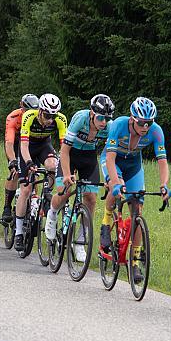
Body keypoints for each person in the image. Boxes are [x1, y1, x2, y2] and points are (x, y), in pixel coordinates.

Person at [99, 97, 171, 282]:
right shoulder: (118, 125)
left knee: (137, 211)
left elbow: (162, 162)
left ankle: (135, 261)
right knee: (115, 187)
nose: (145, 127)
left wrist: (164, 185)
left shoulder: (156, 132)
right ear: (132, 118)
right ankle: (106, 223)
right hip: (113, 161)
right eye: (141, 123)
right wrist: (115, 183)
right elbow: (110, 159)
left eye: (149, 123)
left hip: (133, 166)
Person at [44, 94, 115, 263]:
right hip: (71, 155)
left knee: (90, 198)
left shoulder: (110, 127)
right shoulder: (80, 119)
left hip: (89, 158)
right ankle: (52, 215)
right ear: (92, 113)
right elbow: (64, 150)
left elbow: (109, 154)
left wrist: (109, 177)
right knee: (63, 191)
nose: (103, 122)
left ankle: (80, 242)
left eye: (106, 118)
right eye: (100, 117)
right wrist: (67, 174)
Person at [13, 93, 66, 250]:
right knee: (26, 189)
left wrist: (63, 166)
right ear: (40, 111)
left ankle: (46, 194)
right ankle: (18, 232)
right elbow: (23, 145)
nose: (50, 120)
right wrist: (29, 163)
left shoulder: (60, 119)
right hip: (27, 147)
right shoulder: (29, 116)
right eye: (47, 115)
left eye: (53, 116)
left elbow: (64, 148)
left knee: (52, 165)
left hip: (44, 145)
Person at [0, 93, 39, 224]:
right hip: (15, 143)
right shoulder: (13, 117)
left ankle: (33, 199)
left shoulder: (38, 117)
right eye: (27, 110)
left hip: (30, 143)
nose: (30, 113)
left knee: (35, 172)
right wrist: (12, 161)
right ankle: (7, 207)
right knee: (15, 172)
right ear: (21, 107)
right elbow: (9, 143)